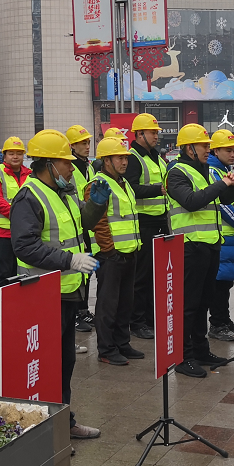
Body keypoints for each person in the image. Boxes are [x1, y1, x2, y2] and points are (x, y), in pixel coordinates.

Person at [10, 129, 107, 440]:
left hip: (67, 293)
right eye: (66, 163)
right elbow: (24, 246)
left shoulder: (64, 192)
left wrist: (96, 207)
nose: (71, 168)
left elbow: (82, 224)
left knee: (64, 363)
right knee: (47, 366)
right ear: (48, 164)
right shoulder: (30, 196)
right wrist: (69, 260)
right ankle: (45, 432)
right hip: (43, 295)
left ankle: (64, 422)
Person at [166, 124, 234, 378]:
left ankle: (200, 350)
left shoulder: (207, 171)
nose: (207, 150)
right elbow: (191, 202)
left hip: (210, 244)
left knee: (203, 303)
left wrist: (233, 186)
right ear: (189, 148)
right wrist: (221, 185)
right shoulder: (176, 173)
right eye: (204, 146)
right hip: (189, 246)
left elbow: (223, 200)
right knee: (188, 305)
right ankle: (183, 356)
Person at [86, 137, 145, 366]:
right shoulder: (97, 184)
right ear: (107, 160)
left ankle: (122, 342)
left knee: (124, 302)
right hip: (110, 255)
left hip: (129, 251)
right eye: (120, 157)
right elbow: (98, 222)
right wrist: (109, 250)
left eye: (125, 158)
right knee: (108, 304)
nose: (124, 162)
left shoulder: (123, 182)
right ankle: (106, 348)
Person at [125, 113, 168, 340]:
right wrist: (158, 189)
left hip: (161, 221)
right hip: (144, 223)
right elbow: (130, 189)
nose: (156, 136)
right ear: (139, 134)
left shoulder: (156, 157)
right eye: (153, 132)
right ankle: (137, 321)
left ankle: (151, 318)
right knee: (141, 277)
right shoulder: (133, 158)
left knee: (156, 275)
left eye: (157, 132)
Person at [206, 130, 234, 342]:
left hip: (233, 237)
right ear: (216, 150)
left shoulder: (224, 169)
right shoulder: (213, 172)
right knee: (219, 283)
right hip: (223, 235)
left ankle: (225, 320)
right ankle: (217, 324)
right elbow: (220, 205)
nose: (233, 154)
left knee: (226, 282)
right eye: (228, 150)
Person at [0, 136, 30, 319]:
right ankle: (2, 311)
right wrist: (18, 213)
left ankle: (19, 307)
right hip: (2, 233)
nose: (15, 157)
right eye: (11, 153)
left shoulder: (30, 174)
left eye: (19, 153)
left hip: (25, 233)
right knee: (4, 273)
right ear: (4, 155)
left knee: (23, 274)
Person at [66, 125, 96, 333]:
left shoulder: (88, 166)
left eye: (88, 142)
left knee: (88, 271)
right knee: (78, 270)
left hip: (88, 223)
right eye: (82, 143)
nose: (87, 146)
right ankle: (76, 313)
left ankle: (83, 310)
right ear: (71, 146)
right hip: (76, 224)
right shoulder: (70, 167)